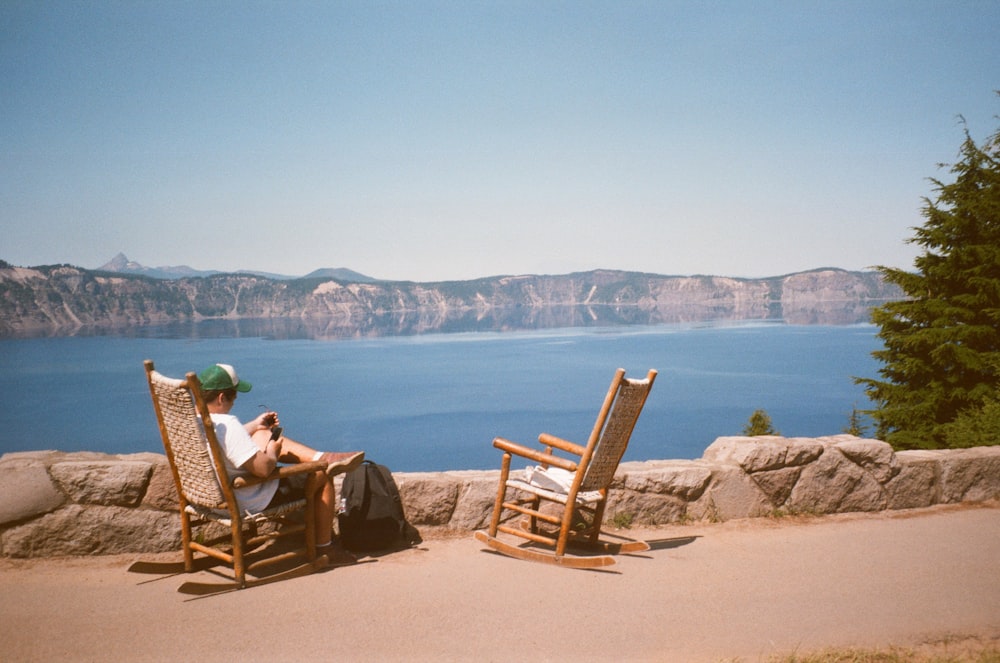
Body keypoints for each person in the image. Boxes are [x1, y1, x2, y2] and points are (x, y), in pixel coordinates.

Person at [197, 362, 364, 566]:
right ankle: (325, 548)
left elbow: (222, 440)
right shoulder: (228, 426)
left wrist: (255, 425)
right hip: (247, 498)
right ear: (222, 397)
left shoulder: (193, 423)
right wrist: (272, 453)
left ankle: (323, 456)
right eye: (233, 395)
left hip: (209, 498)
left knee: (263, 433)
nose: (235, 400)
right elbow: (264, 469)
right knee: (322, 475)